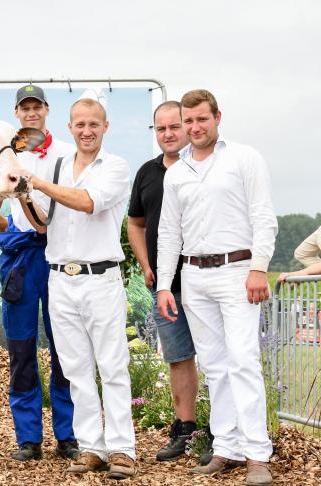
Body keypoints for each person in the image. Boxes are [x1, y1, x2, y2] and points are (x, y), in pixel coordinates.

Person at [157, 89, 276, 486]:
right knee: (214, 365)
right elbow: (169, 233)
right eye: (187, 121)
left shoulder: (244, 158)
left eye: (201, 119)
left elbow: (263, 216)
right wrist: (164, 285)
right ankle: (226, 445)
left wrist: (259, 267)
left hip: (237, 269)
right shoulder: (176, 173)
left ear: (217, 118)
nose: (193, 127)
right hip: (194, 275)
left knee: (242, 359)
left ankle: (257, 454)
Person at [24, 98, 136, 479]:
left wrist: (36, 182)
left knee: (112, 365)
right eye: (80, 124)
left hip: (100, 278)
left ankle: (123, 449)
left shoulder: (115, 167)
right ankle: (92, 447)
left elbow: (89, 202)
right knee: (75, 368)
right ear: (70, 127)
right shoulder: (58, 166)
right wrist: (23, 194)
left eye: (94, 124)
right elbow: (41, 222)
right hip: (60, 277)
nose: (87, 131)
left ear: (105, 127)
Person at [0, 85, 78, 461]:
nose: (31, 112)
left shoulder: (66, 155)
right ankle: (28, 438)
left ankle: (68, 435)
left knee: (64, 347)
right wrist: (15, 231)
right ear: (17, 114)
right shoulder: (8, 157)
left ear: (47, 110)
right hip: (21, 259)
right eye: (25, 108)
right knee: (21, 348)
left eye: (37, 106)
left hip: (58, 255)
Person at [127, 101, 202, 461]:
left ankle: (223, 433)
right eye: (161, 128)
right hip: (165, 286)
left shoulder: (202, 167)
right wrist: (146, 266)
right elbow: (135, 223)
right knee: (178, 357)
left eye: (175, 127)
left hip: (204, 277)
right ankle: (186, 429)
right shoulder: (147, 173)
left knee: (218, 357)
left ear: (188, 127)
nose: (169, 134)